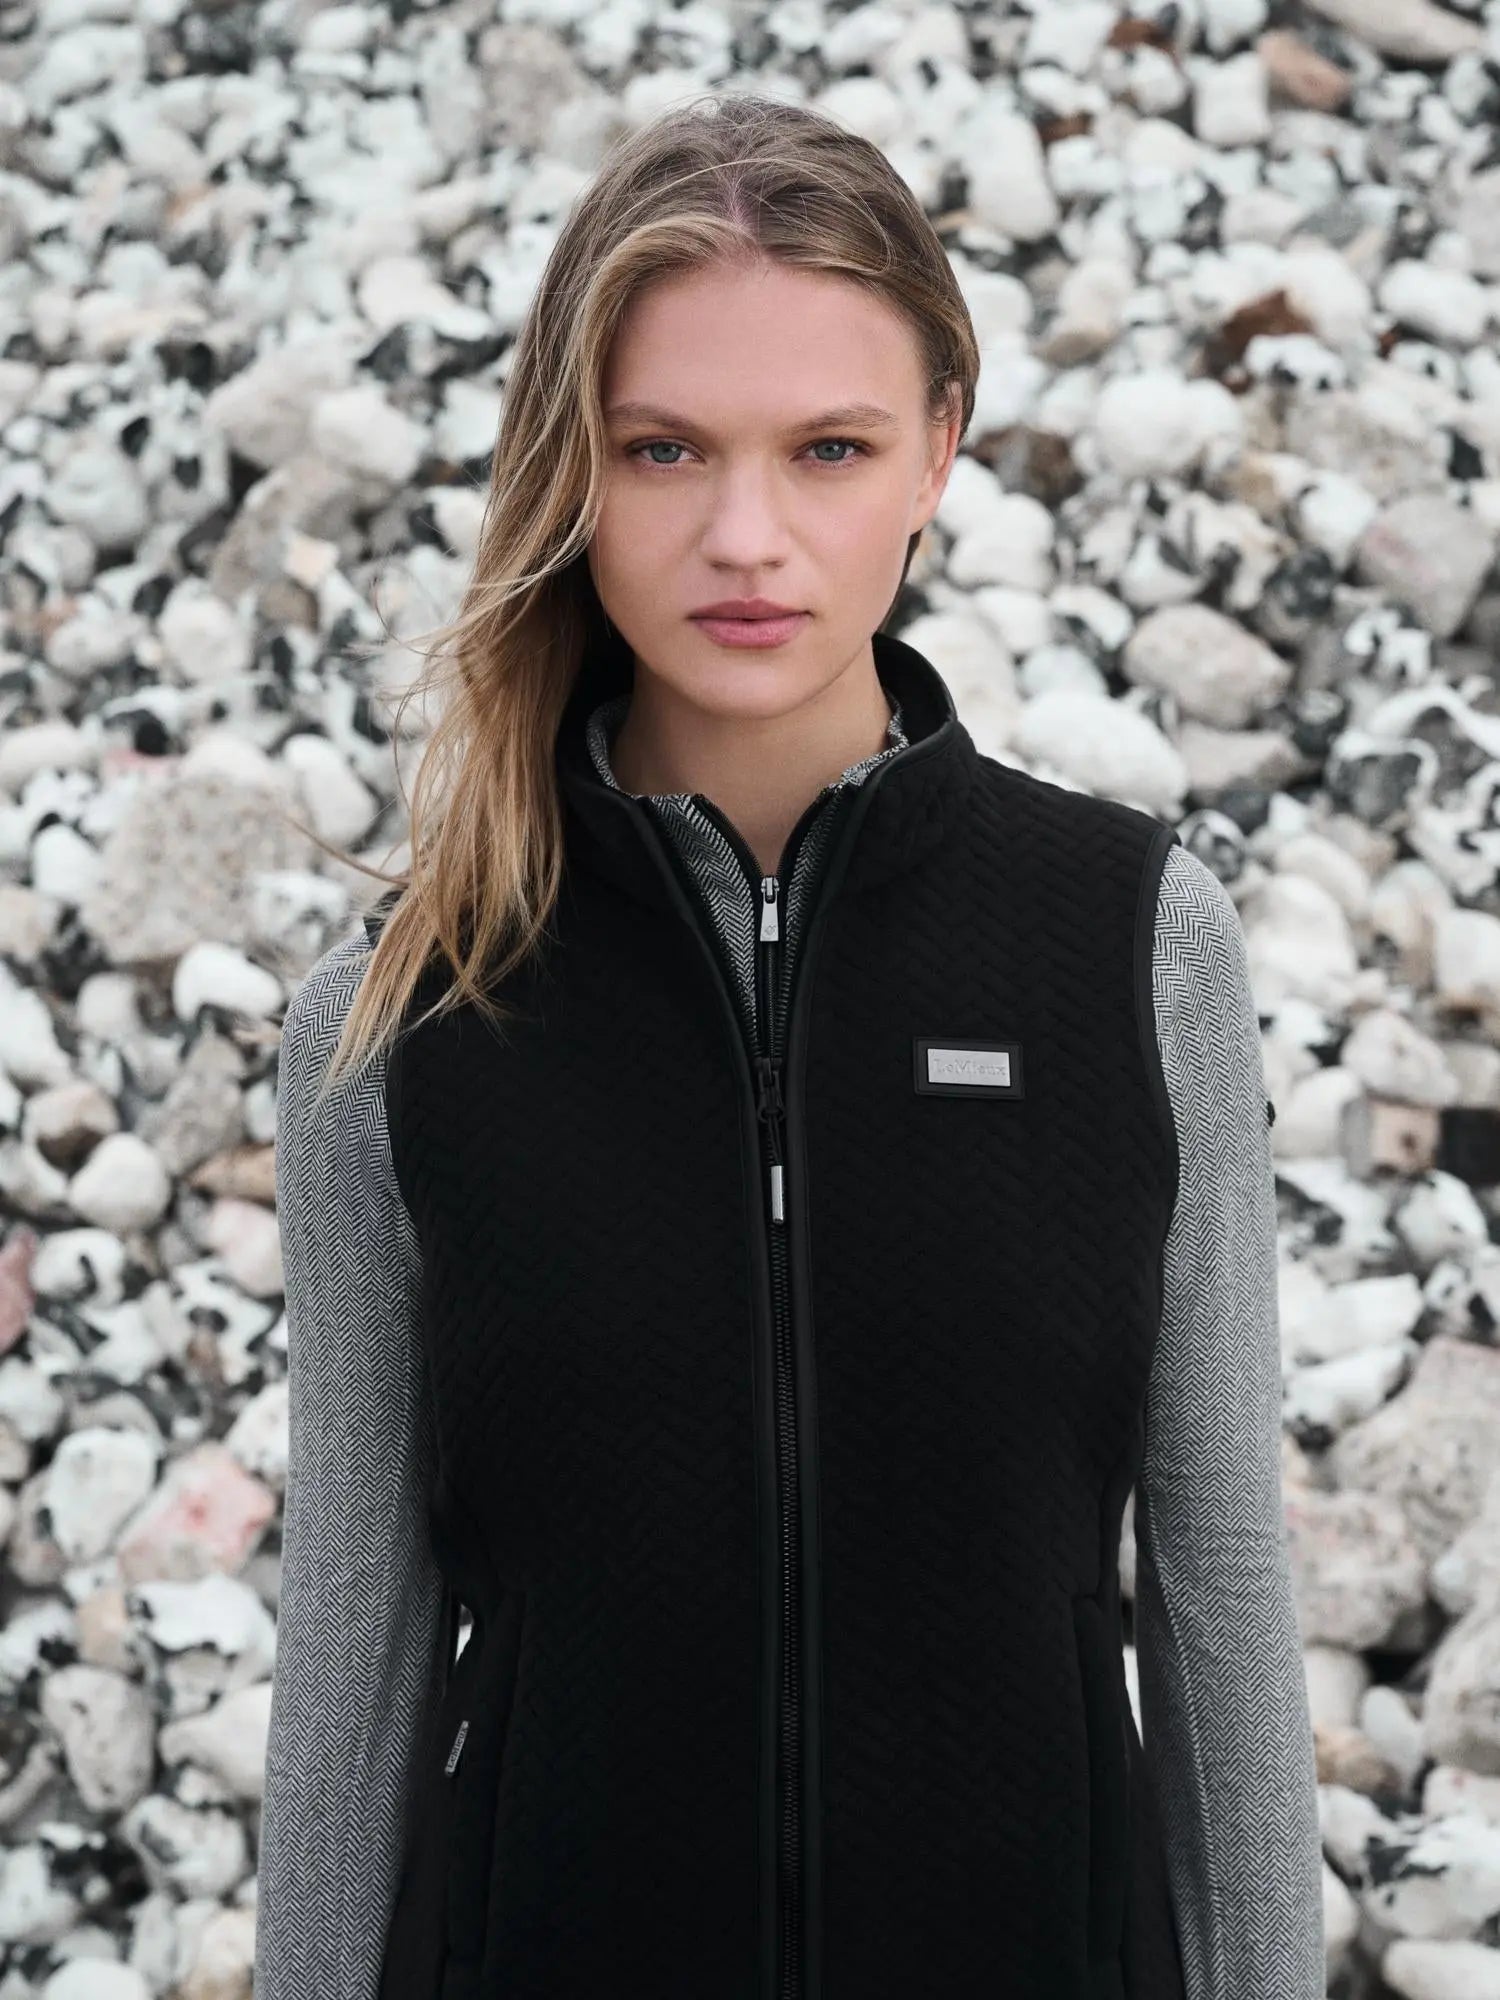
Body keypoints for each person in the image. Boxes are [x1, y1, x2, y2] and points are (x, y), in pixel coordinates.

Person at [253, 90, 1324, 2000]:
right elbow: (355, 1651)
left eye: (830, 448)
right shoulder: (401, 1020)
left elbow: (1223, 1588)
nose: (745, 538)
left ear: (939, 452)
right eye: (662, 449)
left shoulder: (1132, 943)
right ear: (571, 471)